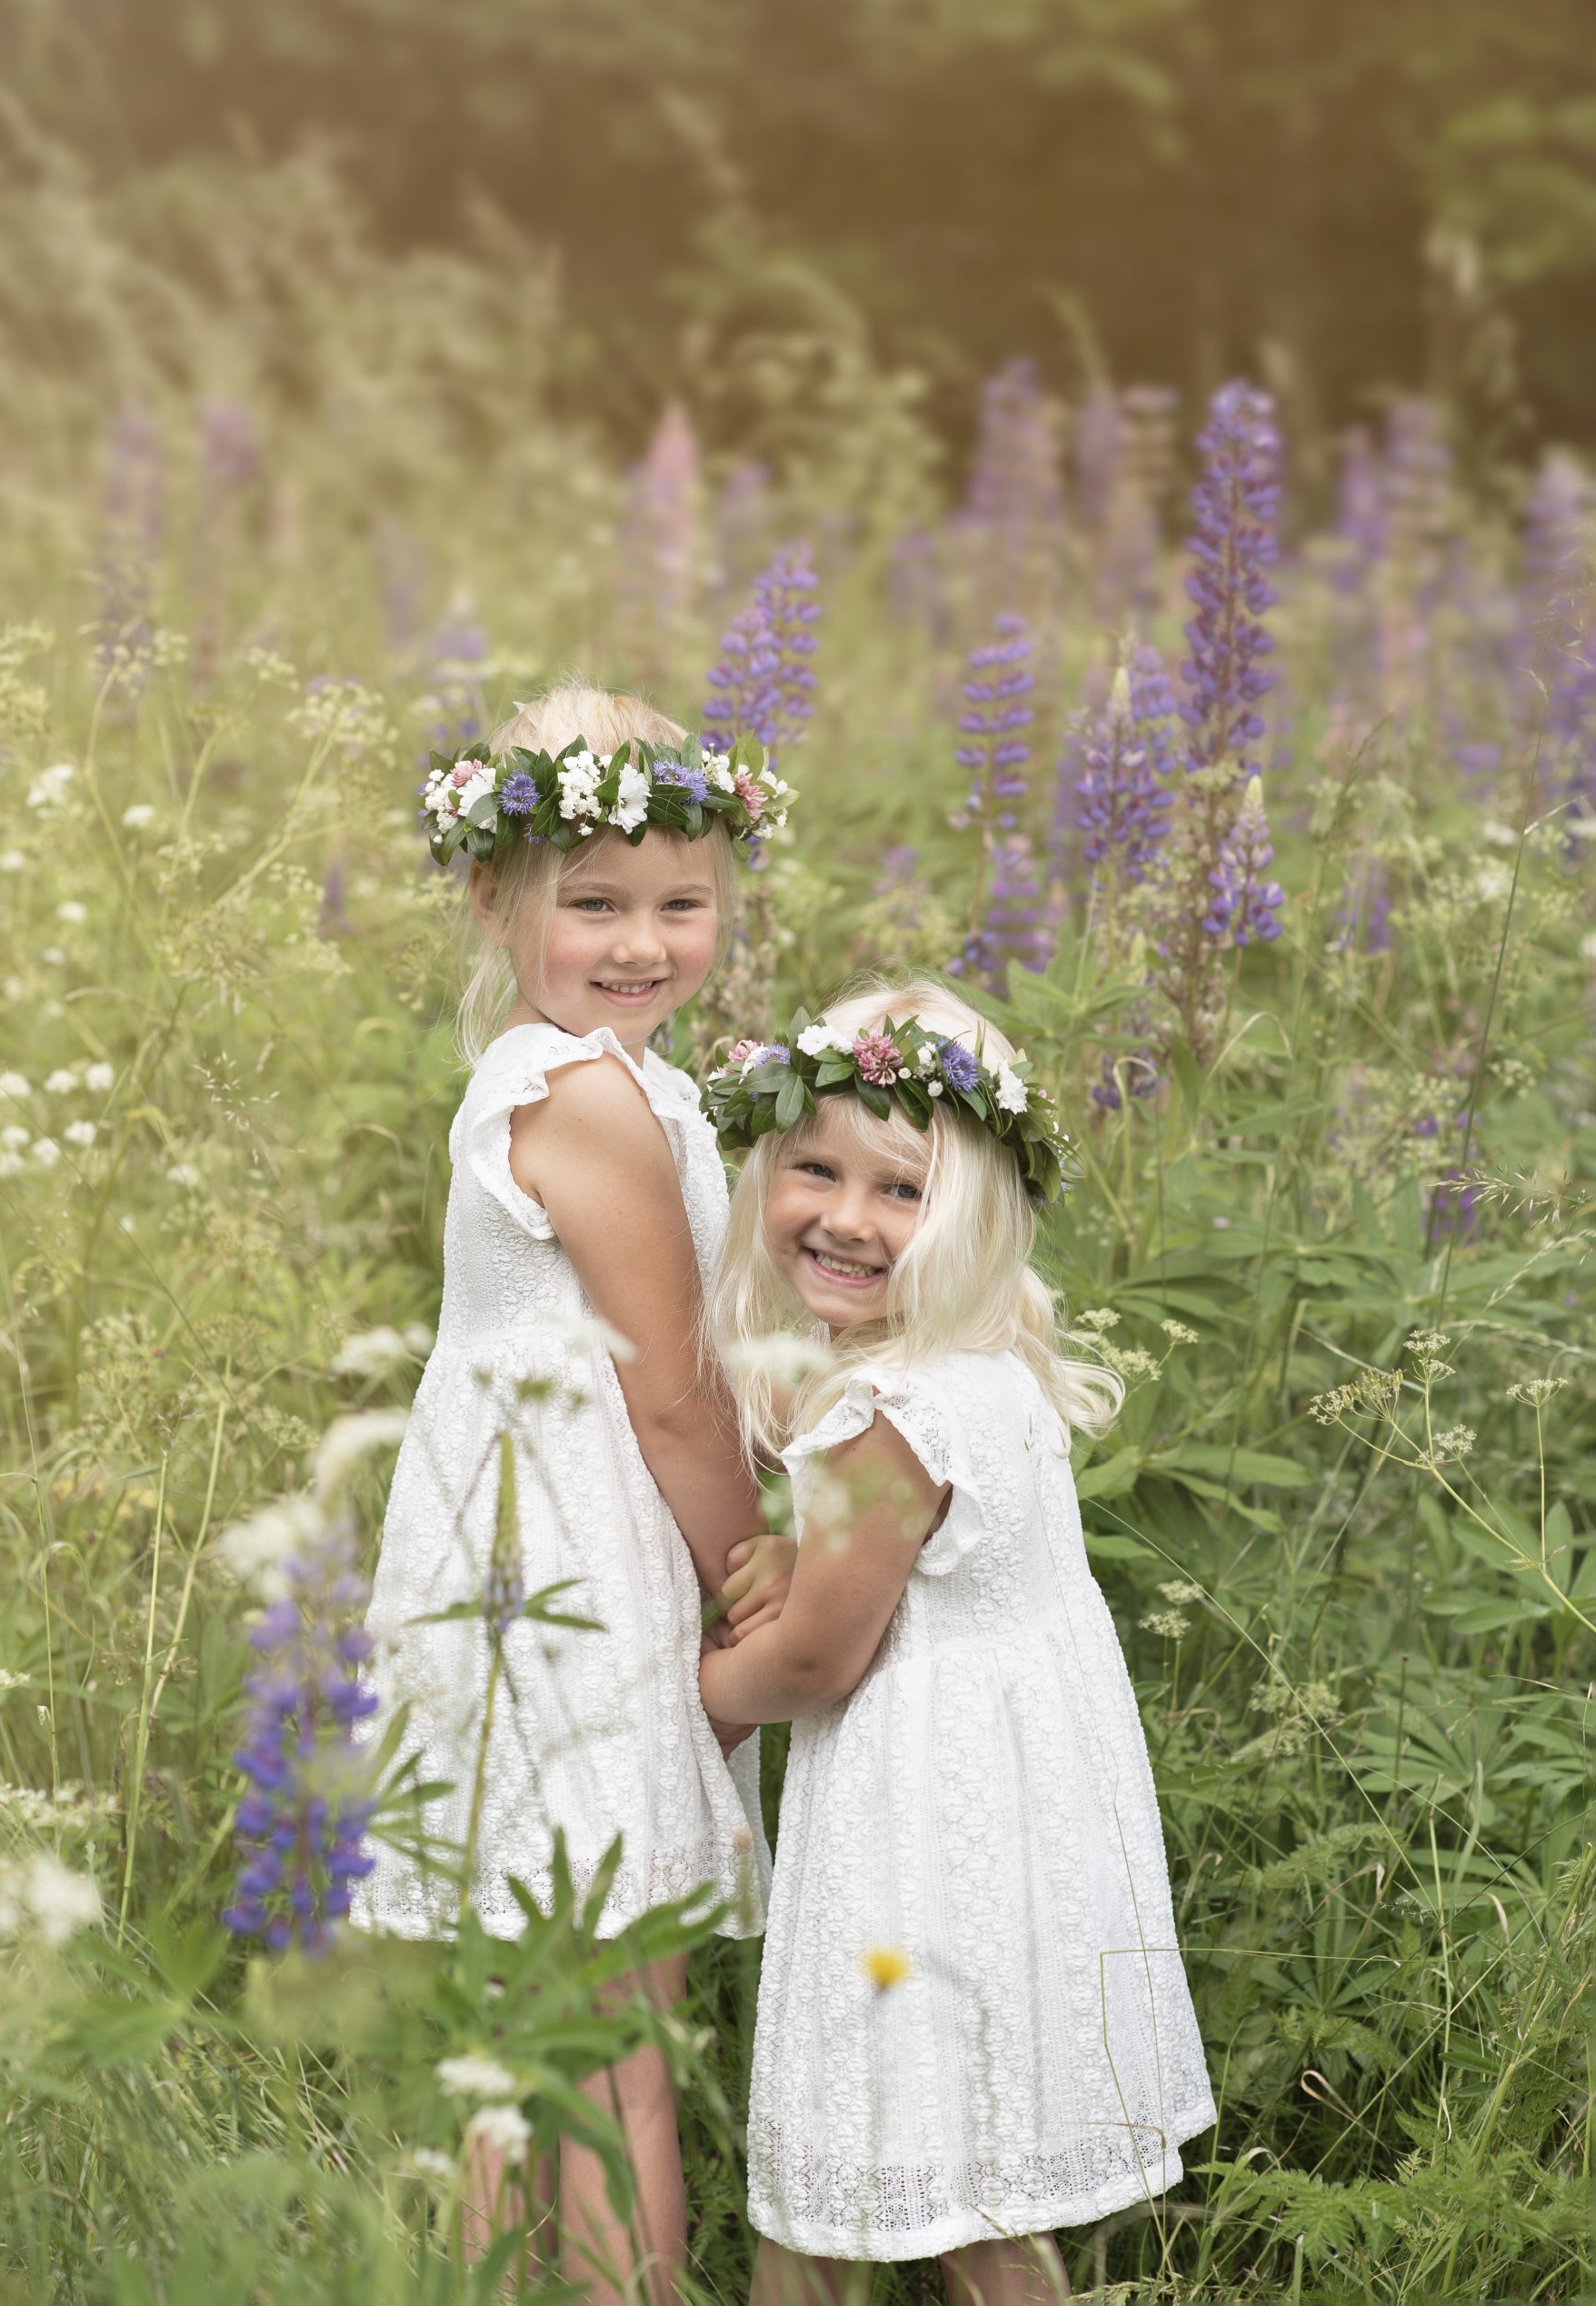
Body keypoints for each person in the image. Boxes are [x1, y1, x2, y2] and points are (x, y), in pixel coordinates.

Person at [354, 684, 797, 2301]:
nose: (641, 943)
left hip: (512, 1554)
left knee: (531, 2011)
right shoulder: (587, 1097)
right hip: (572, 1577)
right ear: (497, 896)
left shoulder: (586, 1075)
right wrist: (755, 1569)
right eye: (593, 903)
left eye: (682, 904)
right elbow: (671, 1391)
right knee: (614, 2030)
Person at [700, 976, 1216, 2306]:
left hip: (918, 1829)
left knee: (857, 2153)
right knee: (989, 2179)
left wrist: (692, 1699)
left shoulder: (886, 1406)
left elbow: (818, 1657)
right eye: (815, 1168)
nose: (847, 1218)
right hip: (1023, 1825)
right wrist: (805, 1553)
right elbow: (903, 1570)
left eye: (902, 1191)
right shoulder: (984, 1370)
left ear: (975, 1216)